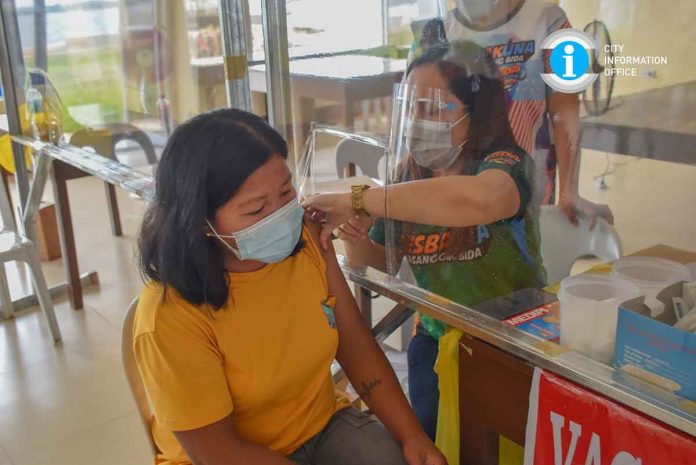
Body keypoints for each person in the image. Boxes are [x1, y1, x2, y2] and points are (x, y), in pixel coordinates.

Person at [134, 108, 446, 465]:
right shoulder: (169, 317)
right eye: (255, 209)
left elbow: (355, 345)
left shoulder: (309, 242)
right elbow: (216, 451)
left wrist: (412, 435)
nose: (281, 215)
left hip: (320, 426)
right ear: (201, 222)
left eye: (285, 191)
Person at [303, 41, 547, 440]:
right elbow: (381, 260)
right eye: (411, 108)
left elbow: (479, 200)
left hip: (509, 343)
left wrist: (363, 197)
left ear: (477, 109)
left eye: (433, 108)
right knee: (434, 440)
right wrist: (352, 231)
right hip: (435, 340)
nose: (418, 122)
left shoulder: (507, 164)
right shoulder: (407, 176)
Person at [422, 0, 613, 225]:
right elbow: (425, 119)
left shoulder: (550, 21)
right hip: (461, 192)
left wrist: (569, 191)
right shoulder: (438, 31)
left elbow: (564, 110)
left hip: (528, 190)